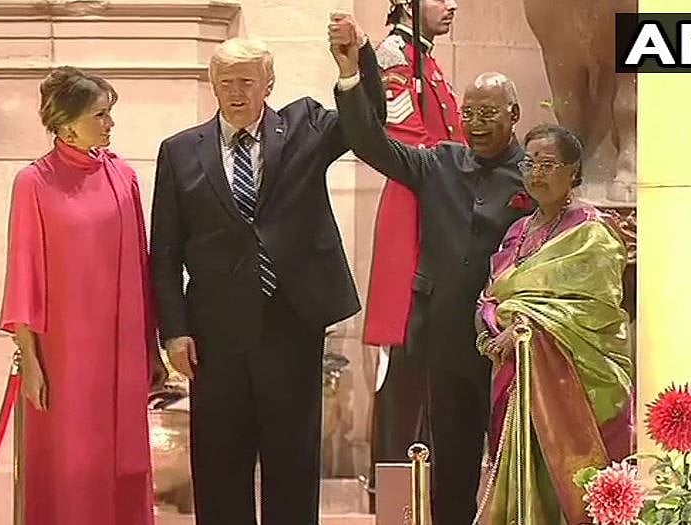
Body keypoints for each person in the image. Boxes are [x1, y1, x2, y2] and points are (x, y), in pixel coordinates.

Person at [150, 20, 384, 525]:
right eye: (226, 82)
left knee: (292, 462)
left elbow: (368, 125)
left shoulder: (305, 127)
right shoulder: (179, 150)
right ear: (213, 85)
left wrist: (354, 67)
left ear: (268, 83)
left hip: (290, 322)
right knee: (219, 464)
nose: (236, 92)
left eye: (247, 81)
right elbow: (164, 252)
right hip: (214, 332)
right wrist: (174, 330)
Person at [330, 26, 535, 524]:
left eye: (488, 114)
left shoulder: (534, 175)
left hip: (511, 347)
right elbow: (371, 144)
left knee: (517, 467)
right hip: (445, 340)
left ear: (514, 116)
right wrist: (351, 76)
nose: (476, 124)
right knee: (453, 468)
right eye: (469, 113)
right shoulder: (439, 163)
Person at [0, 66, 164, 525]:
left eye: (110, 113)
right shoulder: (33, 182)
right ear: (67, 123)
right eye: (100, 114)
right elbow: (24, 274)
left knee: (121, 466)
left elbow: (142, 266)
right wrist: (31, 361)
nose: (110, 123)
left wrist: (150, 350)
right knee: (70, 467)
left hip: (121, 352)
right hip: (63, 357)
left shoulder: (124, 176)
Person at [473, 123, 633, 525]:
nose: (536, 173)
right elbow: (493, 295)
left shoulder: (592, 231)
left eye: (547, 164)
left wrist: (526, 327)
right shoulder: (517, 231)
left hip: (575, 375)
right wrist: (491, 324)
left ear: (573, 171)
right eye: (529, 163)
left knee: (566, 479)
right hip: (514, 373)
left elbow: (596, 308)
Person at [366, 0, 464, 486]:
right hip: (416, 212)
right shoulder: (394, 56)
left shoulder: (424, 58)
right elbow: (407, 140)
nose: (452, 5)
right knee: (404, 353)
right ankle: (396, 489)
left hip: (440, 208)